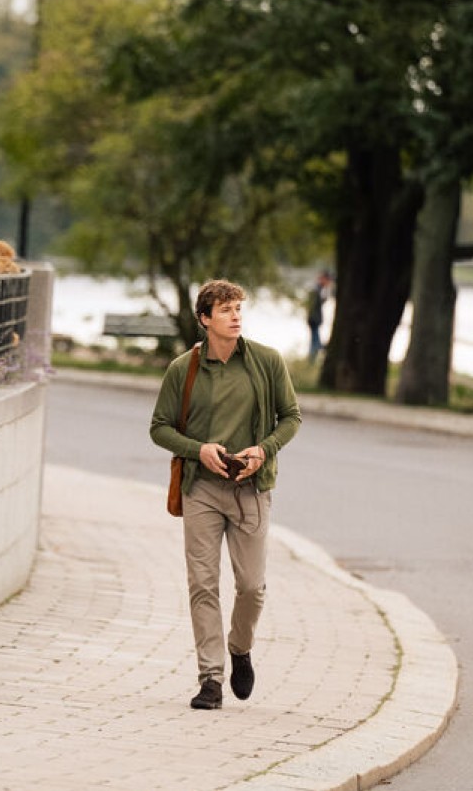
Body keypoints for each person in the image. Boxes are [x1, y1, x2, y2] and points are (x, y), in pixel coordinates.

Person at [150, 279, 301, 710]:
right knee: (203, 584)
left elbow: (291, 417)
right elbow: (159, 427)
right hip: (201, 490)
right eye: (225, 310)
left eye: (239, 308)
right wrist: (199, 450)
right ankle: (210, 679)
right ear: (204, 319)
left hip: (251, 488)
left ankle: (239, 648)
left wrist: (263, 450)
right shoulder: (184, 368)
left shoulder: (267, 362)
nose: (236, 316)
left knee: (252, 587)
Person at [306, 271, 333, 363]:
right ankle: (312, 360)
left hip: (313, 320)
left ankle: (311, 361)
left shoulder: (318, 289)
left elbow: (321, 302)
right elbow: (317, 303)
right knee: (316, 342)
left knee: (314, 341)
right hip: (314, 320)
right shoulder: (317, 289)